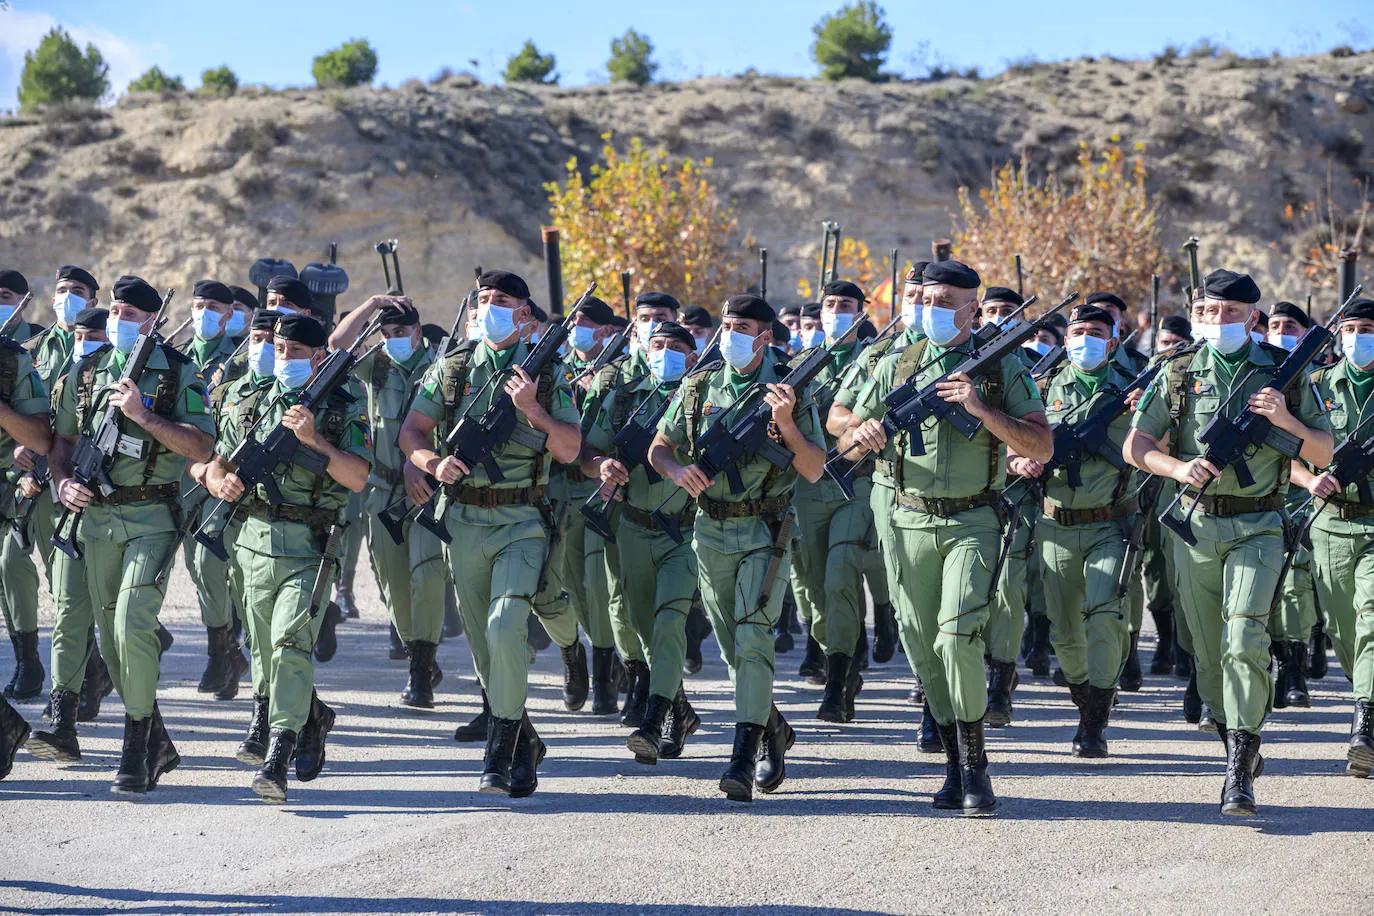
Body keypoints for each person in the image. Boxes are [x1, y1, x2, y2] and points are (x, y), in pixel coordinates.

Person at [839, 259, 1051, 815]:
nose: (930, 311)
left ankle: (977, 763)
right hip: (907, 518)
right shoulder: (897, 362)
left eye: (945, 302)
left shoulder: (1001, 368)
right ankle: (953, 763)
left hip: (974, 520)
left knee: (957, 639)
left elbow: (1041, 446)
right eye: (926, 300)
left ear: (972, 310)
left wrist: (981, 410)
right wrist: (860, 434)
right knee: (919, 643)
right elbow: (844, 437)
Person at [1126, 268, 1332, 816]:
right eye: (1206, 312)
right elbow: (1137, 444)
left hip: (1259, 526)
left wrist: (1285, 418)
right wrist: (1177, 467)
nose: (1216, 321)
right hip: (1194, 527)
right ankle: (1231, 733)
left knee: (1244, 638)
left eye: (1228, 313)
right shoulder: (1177, 370)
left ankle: (1239, 765)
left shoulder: (1284, 373)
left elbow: (1324, 453)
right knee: (1209, 654)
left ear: (1251, 318)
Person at [400, 269, 582, 798]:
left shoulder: (547, 374)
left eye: (501, 301)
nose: (488, 308)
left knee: (506, 629)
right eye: (482, 300)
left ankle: (498, 755)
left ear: (525, 314)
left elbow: (569, 449)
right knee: (483, 646)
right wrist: (431, 462)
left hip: (522, 521)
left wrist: (533, 410)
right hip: (463, 520)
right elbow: (411, 429)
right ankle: (524, 738)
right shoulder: (454, 368)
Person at [650, 293, 826, 803]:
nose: (731, 334)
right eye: (726, 325)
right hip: (710, 529)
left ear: (765, 336)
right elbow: (660, 446)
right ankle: (774, 727)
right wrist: (677, 470)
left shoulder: (790, 387)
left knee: (752, 640)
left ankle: (742, 757)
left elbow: (814, 468)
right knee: (732, 648)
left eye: (742, 326)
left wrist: (787, 422)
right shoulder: (701, 383)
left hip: (765, 532)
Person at [48, 276, 216, 794]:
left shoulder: (179, 373)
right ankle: (158, 740)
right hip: (97, 520)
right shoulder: (87, 371)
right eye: (114, 310)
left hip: (153, 517)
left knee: (131, 625)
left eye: (129, 313)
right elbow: (64, 441)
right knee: (109, 637)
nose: (118, 320)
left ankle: (135, 743)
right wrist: (62, 484)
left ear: (150, 321)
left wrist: (142, 414)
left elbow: (202, 446)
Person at [204, 313, 371, 803]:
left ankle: (279, 751)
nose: (284, 358)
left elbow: (358, 477)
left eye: (296, 352)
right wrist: (221, 479)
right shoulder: (248, 396)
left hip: (311, 544)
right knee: (261, 645)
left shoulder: (343, 402)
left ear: (319, 357)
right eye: (279, 349)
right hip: (251, 540)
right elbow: (218, 457)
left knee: (290, 645)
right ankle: (311, 715)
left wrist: (314, 440)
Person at [1010, 305, 1138, 756]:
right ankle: (1086, 699)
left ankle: (1094, 721)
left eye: (1096, 332)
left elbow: (1166, 438)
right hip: (1055, 522)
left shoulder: (1136, 389)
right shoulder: (1039, 387)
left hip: (1112, 523)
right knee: (1064, 633)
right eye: (1078, 331)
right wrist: (1017, 460)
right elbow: (1009, 438)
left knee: (1104, 617)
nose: (1086, 338)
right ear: (1066, 340)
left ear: (1113, 341)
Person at [583, 319, 704, 763]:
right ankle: (682, 709)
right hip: (631, 527)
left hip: (686, 531)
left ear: (693, 356)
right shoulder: (622, 397)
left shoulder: (703, 399)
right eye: (657, 345)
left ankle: (653, 723)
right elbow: (584, 454)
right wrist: (602, 466)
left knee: (670, 623)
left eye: (675, 346)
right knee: (646, 631)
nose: (664, 353)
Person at [329, 294, 447, 708]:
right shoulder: (378, 366)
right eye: (387, 333)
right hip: (383, 490)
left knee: (426, 576)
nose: (394, 339)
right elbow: (336, 345)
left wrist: (424, 462)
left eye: (401, 332)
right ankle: (419, 652)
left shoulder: (443, 365)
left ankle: (421, 669)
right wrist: (373, 302)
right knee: (394, 585)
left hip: (430, 491)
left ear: (418, 331)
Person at [1296, 297, 1374, 777]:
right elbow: (1284, 452)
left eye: (1368, 327)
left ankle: (1364, 723)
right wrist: (1309, 481)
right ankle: (1363, 689)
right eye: (1351, 327)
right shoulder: (1317, 385)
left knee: (1372, 619)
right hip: (1330, 522)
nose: (1358, 336)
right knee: (1345, 632)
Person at [789, 281, 873, 723]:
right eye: (830, 305)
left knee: (841, 575)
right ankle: (839, 652)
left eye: (845, 305)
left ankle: (838, 681)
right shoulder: (799, 365)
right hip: (809, 486)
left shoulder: (875, 361)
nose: (836, 312)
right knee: (818, 589)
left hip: (858, 484)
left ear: (862, 312)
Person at [183, 280, 250, 699]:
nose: (204, 312)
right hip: (187, 477)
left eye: (214, 307)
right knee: (199, 567)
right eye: (199, 305)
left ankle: (220, 652)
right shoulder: (177, 359)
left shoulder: (243, 360)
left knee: (217, 565)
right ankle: (228, 650)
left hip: (229, 476)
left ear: (229, 314)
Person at [1264, 301, 1319, 708]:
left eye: (1290, 326)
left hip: (1301, 496)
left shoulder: (1315, 381)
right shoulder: (1258, 377)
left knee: (1296, 582)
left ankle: (1294, 670)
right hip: (1261, 497)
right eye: (1275, 325)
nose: (1281, 331)